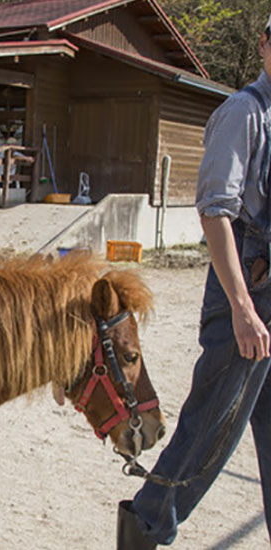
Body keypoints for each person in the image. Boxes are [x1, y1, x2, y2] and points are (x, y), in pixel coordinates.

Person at [117, 14, 271, 550]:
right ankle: (144, 527)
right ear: (263, 43)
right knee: (211, 429)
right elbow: (216, 213)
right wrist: (243, 307)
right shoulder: (244, 113)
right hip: (247, 293)